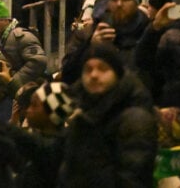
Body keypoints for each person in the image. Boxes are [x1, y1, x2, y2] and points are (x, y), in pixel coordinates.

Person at [59, 43, 157, 187]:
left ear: (117, 74)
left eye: (103, 68)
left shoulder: (135, 120)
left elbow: (131, 180)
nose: (93, 75)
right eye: (88, 69)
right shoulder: (81, 111)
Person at [0, 0, 47, 123]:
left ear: (6, 20)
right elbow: (0, 66)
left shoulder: (22, 37)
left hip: (11, 99)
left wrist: (13, 81)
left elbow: (38, 61)